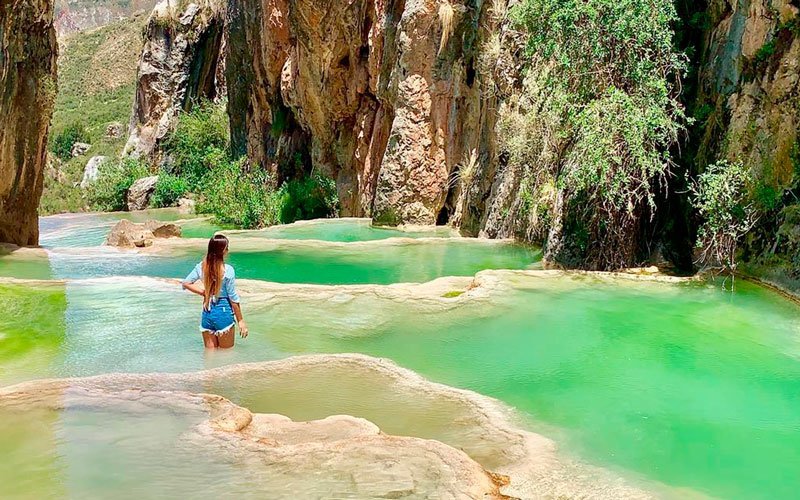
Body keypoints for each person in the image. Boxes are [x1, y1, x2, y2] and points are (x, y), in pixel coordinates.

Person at [182, 234, 248, 348]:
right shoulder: (228, 270)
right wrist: (241, 321)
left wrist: (204, 293)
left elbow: (186, 283)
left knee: (210, 355)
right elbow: (233, 299)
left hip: (207, 313)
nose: (228, 250)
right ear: (222, 250)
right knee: (226, 355)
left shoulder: (201, 267)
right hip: (223, 312)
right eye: (227, 247)